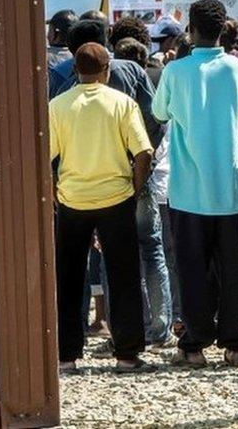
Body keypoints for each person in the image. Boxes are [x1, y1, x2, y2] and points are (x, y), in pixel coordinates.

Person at [152, 0, 238, 368]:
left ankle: (194, 343)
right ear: (224, 30)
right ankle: (234, 343)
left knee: (192, 267)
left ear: (191, 30)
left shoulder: (175, 72)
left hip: (187, 190)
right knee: (233, 268)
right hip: (230, 186)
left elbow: (160, 112)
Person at [50, 42, 154, 373]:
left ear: (75, 72)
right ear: (107, 70)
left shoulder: (58, 106)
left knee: (68, 277)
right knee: (123, 275)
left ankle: (66, 356)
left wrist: (53, 192)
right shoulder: (122, 103)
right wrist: (134, 191)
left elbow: (45, 157)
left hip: (72, 200)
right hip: (115, 199)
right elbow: (143, 153)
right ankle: (126, 355)